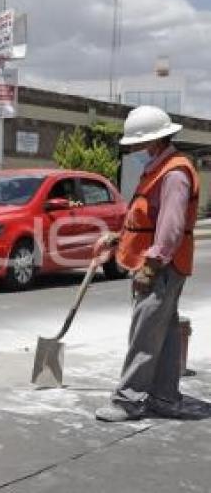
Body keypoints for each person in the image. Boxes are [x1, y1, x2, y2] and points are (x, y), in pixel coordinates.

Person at [93, 105, 200, 422]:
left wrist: (151, 266)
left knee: (144, 333)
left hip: (161, 267)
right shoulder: (160, 168)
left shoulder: (174, 173)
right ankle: (164, 398)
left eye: (136, 145)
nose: (133, 151)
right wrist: (119, 236)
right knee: (163, 334)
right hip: (161, 263)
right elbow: (147, 217)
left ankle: (129, 401)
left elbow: (170, 227)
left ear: (153, 142)